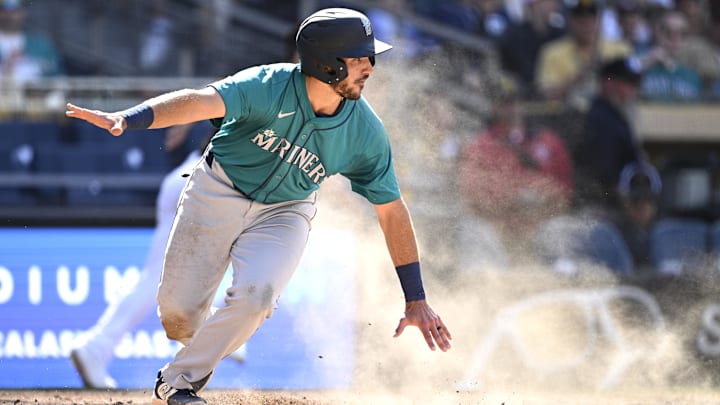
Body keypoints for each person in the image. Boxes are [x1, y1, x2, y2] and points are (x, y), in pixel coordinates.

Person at [65, 8, 452, 405]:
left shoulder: (365, 132)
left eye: (369, 57)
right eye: (357, 58)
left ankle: (177, 382)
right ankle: (208, 336)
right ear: (326, 63)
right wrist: (127, 119)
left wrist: (415, 298)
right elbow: (199, 102)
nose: (369, 66)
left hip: (286, 211)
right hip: (218, 188)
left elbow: (392, 212)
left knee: (257, 297)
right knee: (177, 314)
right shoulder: (267, 85)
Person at [68, 122, 247, 389]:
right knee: (162, 278)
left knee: (165, 275)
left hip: (188, 176)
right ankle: (98, 345)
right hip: (204, 181)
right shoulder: (266, 95)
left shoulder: (254, 95)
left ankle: (207, 330)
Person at [457, 76, 574, 269]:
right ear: (494, 106)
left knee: (562, 231)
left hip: (542, 225)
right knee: (473, 232)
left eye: (514, 101)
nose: (511, 107)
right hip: (498, 229)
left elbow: (565, 189)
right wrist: (513, 197)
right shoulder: (480, 147)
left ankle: (563, 280)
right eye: (504, 102)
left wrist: (541, 196)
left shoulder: (548, 142)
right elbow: (472, 193)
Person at [535, 0, 631, 110]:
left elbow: (631, 89)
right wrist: (577, 79)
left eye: (591, 19)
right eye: (581, 20)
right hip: (567, 116)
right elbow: (545, 95)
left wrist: (606, 76)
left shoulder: (619, 50)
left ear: (598, 21)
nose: (586, 25)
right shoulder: (552, 52)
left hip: (609, 115)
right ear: (571, 21)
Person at [0, 0, 63, 82]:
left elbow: (58, 77)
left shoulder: (41, 44)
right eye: (4, 11)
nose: (10, 16)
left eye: (15, 11)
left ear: (23, 12)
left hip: (34, 93)